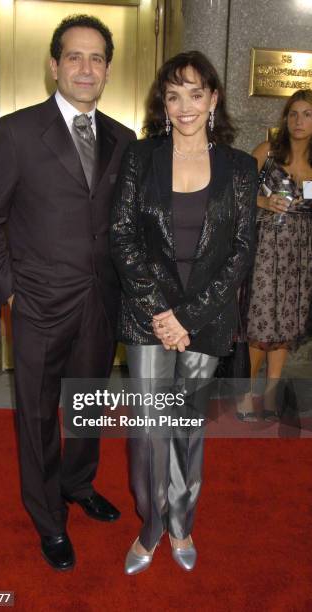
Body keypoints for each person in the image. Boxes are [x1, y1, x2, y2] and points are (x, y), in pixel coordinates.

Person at [0, 14, 136, 571]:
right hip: (38, 303)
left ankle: (79, 484)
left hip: (99, 303)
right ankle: (48, 518)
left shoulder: (123, 137)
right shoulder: (16, 132)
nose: (85, 68)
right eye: (74, 57)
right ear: (54, 65)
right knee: (37, 416)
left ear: (107, 70)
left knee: (86, 407)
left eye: (96, 59)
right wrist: (11, 292)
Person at [110, 50, 258, 574]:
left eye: (196, 93)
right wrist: (160, 311)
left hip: (206, 318)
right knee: (150, 427)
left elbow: (242, 251)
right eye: (174, 95)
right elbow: (121, 234)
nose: (185, 105)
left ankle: (180, 524)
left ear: (214, 99)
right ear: (163, 103)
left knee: (187, 427)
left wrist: (189, 317)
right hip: (149, 317)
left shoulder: (241, 168)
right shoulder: (140, 157)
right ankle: (149, 527)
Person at [245, 89, 312, 420]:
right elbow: (233, 190)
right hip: (266, 250)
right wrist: (262, 202)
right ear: (285, 119)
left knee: (285, 324)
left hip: (300, 256)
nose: (299, 121)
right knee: (259, 324)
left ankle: (270, 397)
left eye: (307, 114)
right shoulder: (268, 152)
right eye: (294, 114)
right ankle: (245, 395)